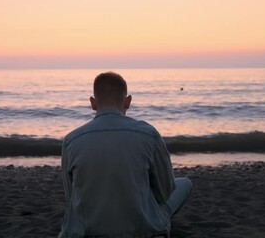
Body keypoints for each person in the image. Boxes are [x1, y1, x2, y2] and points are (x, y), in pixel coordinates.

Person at [59, 72, 192, 238]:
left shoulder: (72, 140)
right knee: (184, 183)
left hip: (88, 232)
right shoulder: (149, 134)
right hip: (142, 232)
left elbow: (71, 196)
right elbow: (165, 191)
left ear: (93, 103)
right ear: (128, 101)